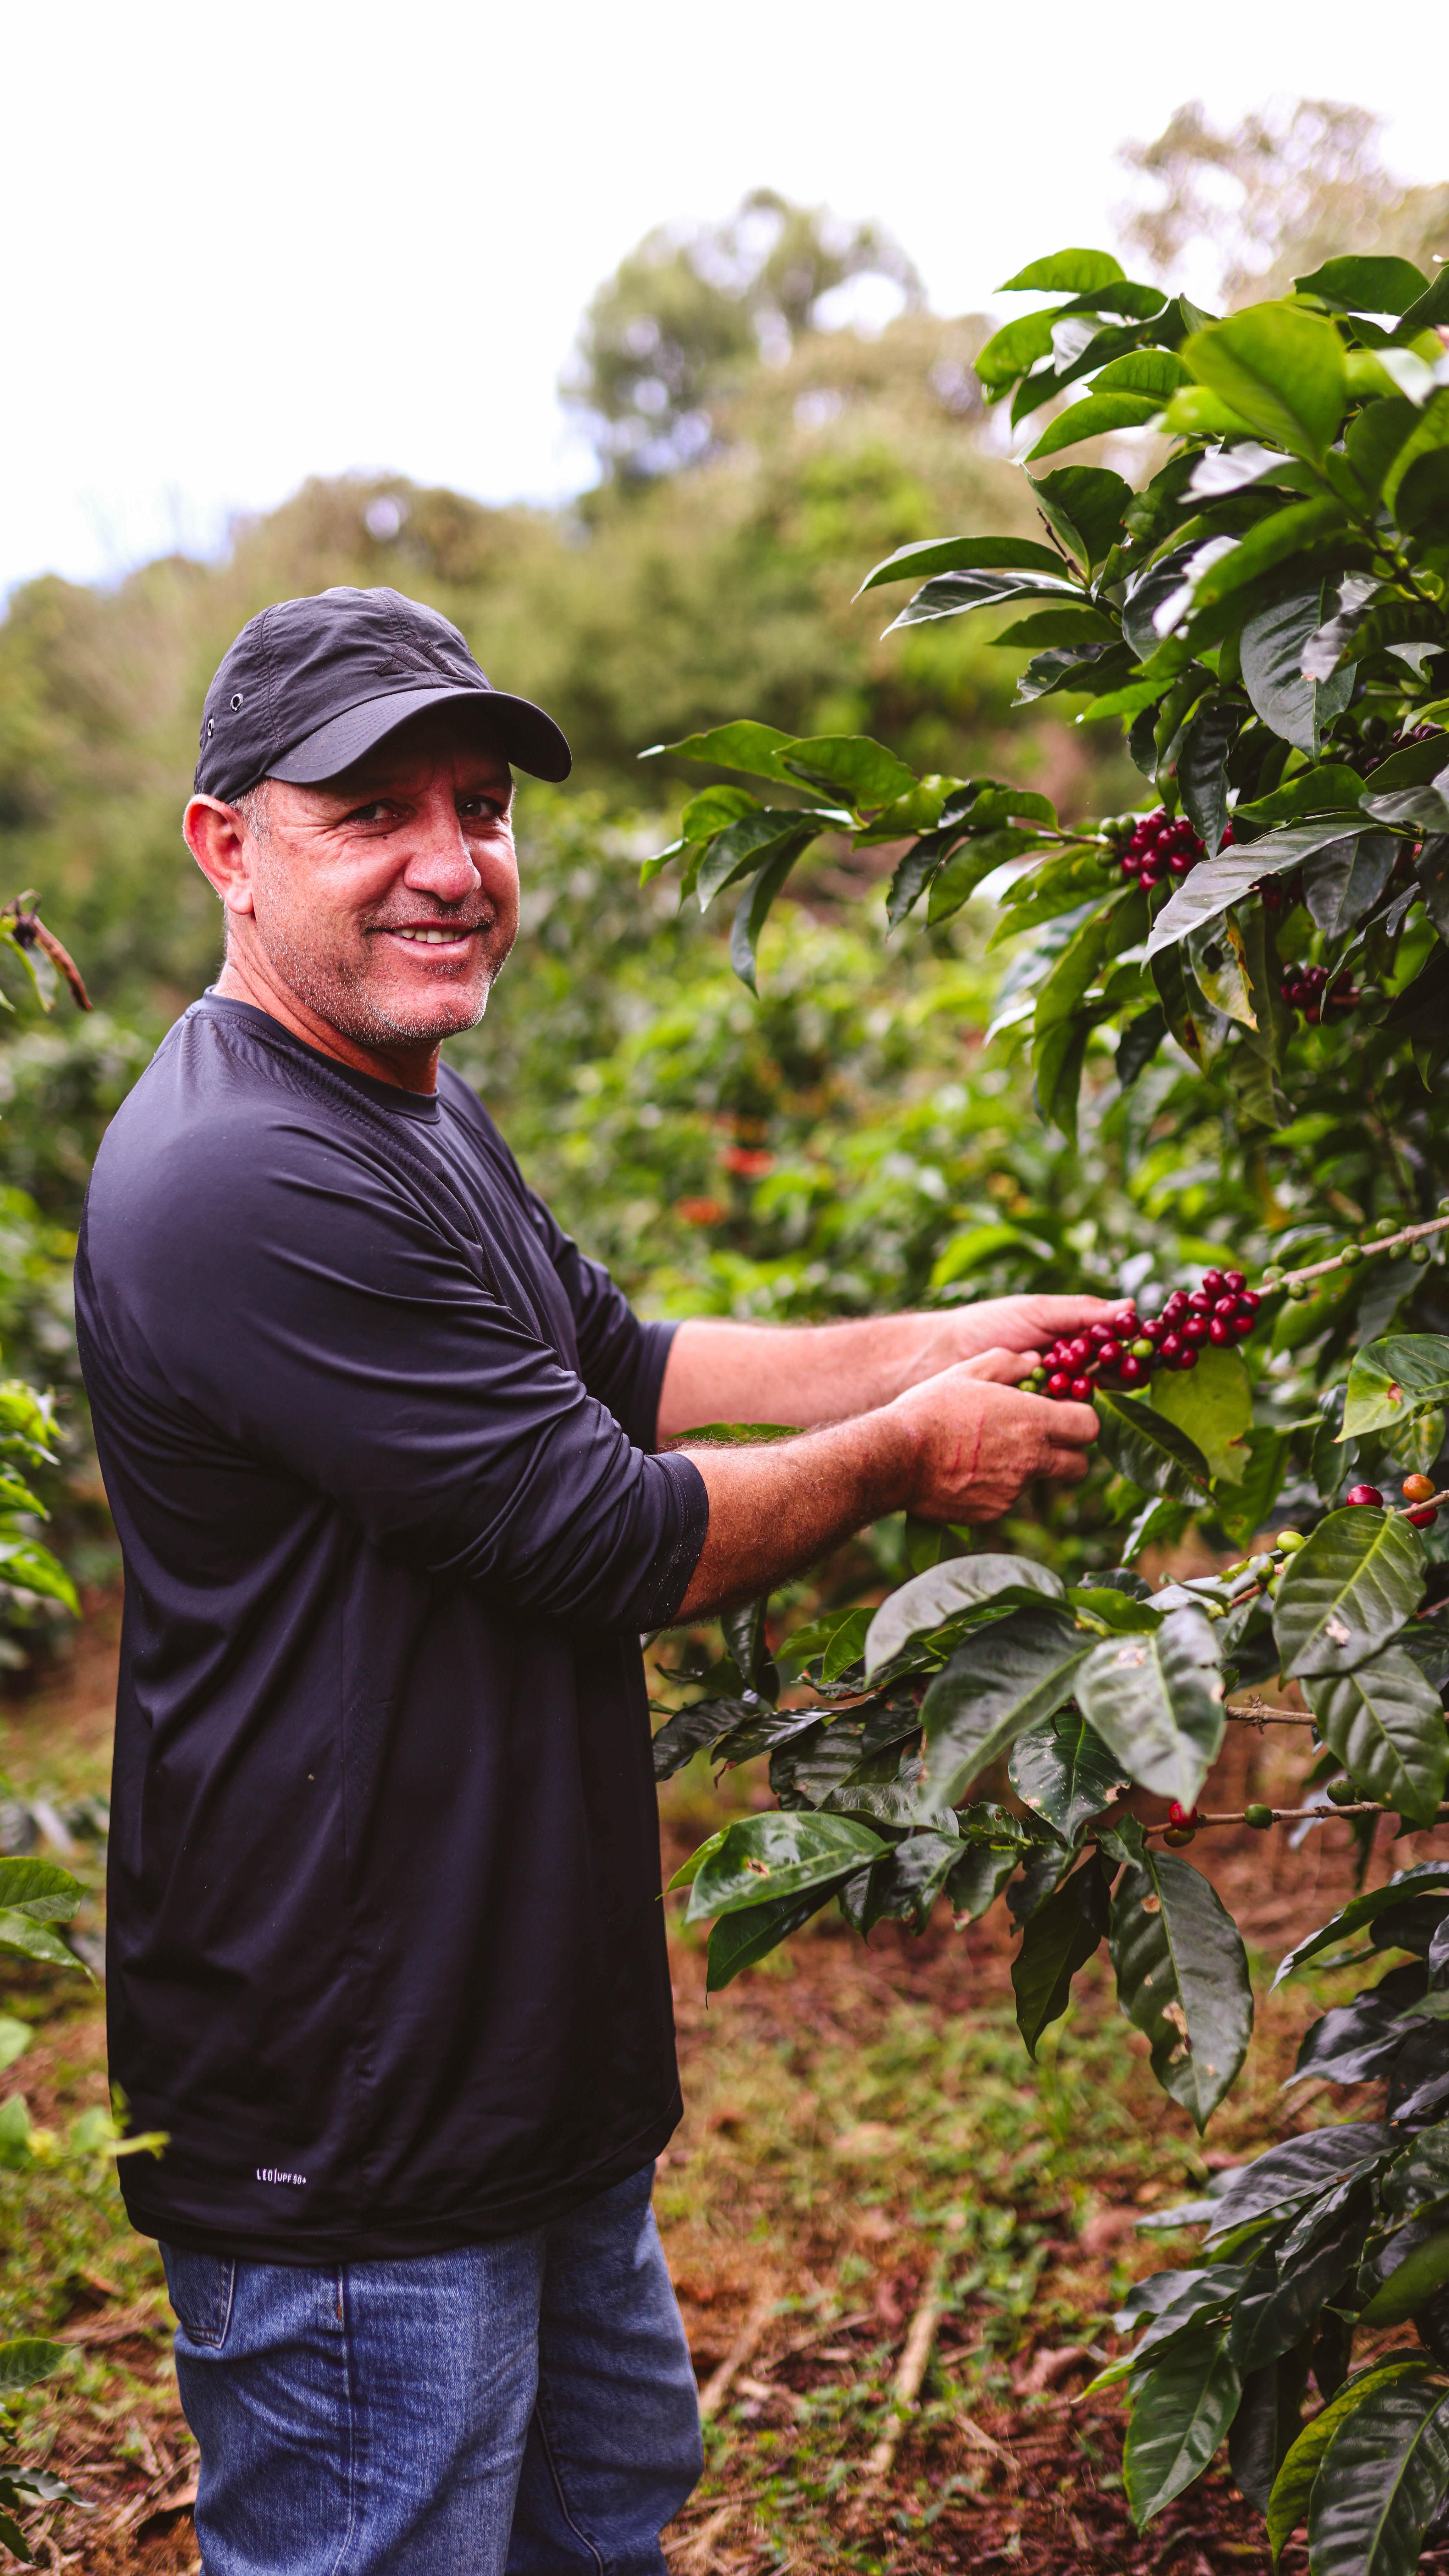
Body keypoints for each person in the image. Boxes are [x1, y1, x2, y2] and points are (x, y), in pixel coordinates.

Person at [75, 586, 1119, 2575]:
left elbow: (624, 1365)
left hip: (517, 2053)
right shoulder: (243, 1175)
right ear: (227, 846)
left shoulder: (401, 1103)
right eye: (370, 814)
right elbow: (612, 1531)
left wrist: (933, 1340)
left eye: (479, 808)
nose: (450, 865)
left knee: (598, 2527)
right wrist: (915, 1451)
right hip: (358, 2105)